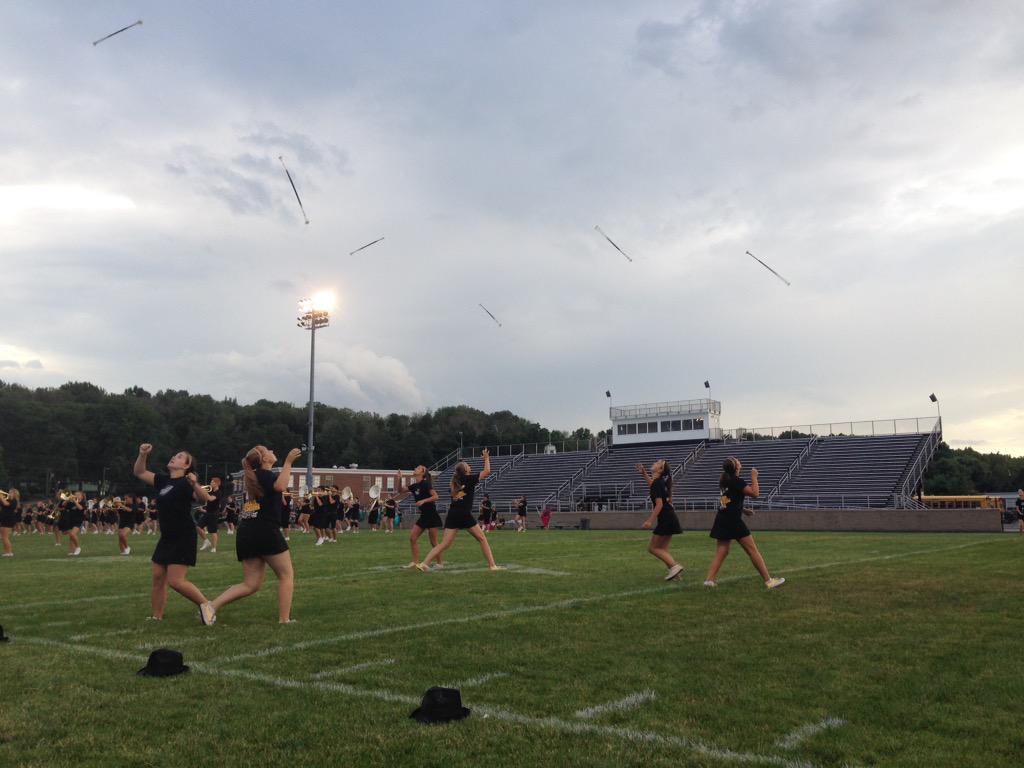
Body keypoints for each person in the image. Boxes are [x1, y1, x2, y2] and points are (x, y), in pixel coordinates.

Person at [207, 445, 300, 624]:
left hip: (247, 531)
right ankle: (284, 619)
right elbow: (281, 485)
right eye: (267, 450)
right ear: (264, 459)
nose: (272, 450)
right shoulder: (265, 475)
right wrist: (288, 462)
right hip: (265, 531)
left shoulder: (252, 478)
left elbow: (266, 496)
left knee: (251, 584)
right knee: (286, 576)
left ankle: (210, 607)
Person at [133, 443, 217, 623]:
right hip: (167, 536)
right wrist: (142, 454)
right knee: (158, 577)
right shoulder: (163, 481)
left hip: (183, 535)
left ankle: (208, 607)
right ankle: (157, 616)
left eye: (180, 456)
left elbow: (205, 499)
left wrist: (195, 484)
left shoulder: (187, 482)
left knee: (176, 581)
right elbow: (140, 472)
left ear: (186, 466)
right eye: (175, 454)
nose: (174, 457)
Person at [704, 457, 785, 590]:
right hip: (733, 521)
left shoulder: (726, 481)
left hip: (723, 518)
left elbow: (725, 502)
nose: (740, 462)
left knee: (722, 551)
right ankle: (769, 581)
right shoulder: (737, 481)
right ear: (736, 467)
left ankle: (709, 580)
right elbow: (755, 494)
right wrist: (754, 477)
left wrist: (743, 510)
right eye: (738, 461)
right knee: (752, 550)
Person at [417, 450, 503, 572]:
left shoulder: (453, 483)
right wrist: (486, 458)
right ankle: (492, 566)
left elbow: (460, 494)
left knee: (444, 544)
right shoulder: (469, 479)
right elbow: (487, 471)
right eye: (467, 465)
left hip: (453, 514)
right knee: (482, 539)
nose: (469, 466)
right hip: (464, 514)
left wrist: (464, 491)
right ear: (465, 470)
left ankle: (424, 563)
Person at [636, 461, 684, 580]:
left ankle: (674, 566)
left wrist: (650, 521)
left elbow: (659, 504)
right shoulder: (659, 482)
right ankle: (676, 576)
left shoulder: (658, 482)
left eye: (658, 463)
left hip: (666, 518)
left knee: (653, 548)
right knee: (662, 549)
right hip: (669, 517)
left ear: (660, 469)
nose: (655, 462)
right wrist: (644, 474)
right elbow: (652, 485)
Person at [405, 465, 445, 569]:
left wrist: (423, 500)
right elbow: (400, 490)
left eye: (418, 468)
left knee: (433, 542)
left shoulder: (426, 484)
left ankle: (440, 564)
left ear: (422, 473)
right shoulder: (414, 486)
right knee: (412, 538)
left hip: (431, 515)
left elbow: (436, 496)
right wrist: (399, 478)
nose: (415, 468)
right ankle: (415, 562)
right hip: (423, 516)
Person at [198, 477, 223, 553]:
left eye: (212, 482)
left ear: (217, 483)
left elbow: (211, 499)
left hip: (214, 514)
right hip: (208, 512)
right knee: (198, 527)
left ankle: (214, 548)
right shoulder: (210, 491)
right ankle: (206, 541)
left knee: (213, 531)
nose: (210, 483)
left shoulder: (218, 492)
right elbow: (206, 499)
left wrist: (204, 491)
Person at [58, 491, 85, 556]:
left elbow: (80, 508)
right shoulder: (71, 502)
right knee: (71, 537)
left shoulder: (83, 502)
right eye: (75, 494)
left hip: (78, 521)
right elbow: (63, 505)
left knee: (73, 534)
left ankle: (78, 547)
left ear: (82, 496)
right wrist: (68, 499)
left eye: (78, 494)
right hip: (70, 521)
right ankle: (72, 551)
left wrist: (75, 501)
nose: (76, 495)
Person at [0, 488, 22, 557]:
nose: (9, 493)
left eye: (11, 492)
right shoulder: (9, 499)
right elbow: (3, 502)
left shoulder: (14, 500)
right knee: (4, 537)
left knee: (5, 537)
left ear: (15, 494)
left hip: (8, 519)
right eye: (9, 492)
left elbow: (6, 504)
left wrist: (1, 496)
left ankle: (9, 552)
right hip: (5, 519)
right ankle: (7, 552)